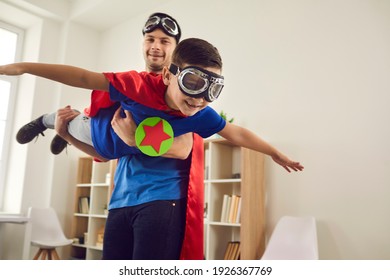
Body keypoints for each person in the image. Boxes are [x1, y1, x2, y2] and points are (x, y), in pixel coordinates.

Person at [1, 40, 304, 259]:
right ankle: (46, 123)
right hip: (105, 152)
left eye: (211, 89)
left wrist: (274, 152)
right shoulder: (136, 86)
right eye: (193, 82)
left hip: (156, 197)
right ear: (169, 74)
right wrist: (24, 67)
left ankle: (58, 132)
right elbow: (83, 77)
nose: (200, 98)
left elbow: (232, 132)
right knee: (64, 121)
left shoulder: (198, 115)